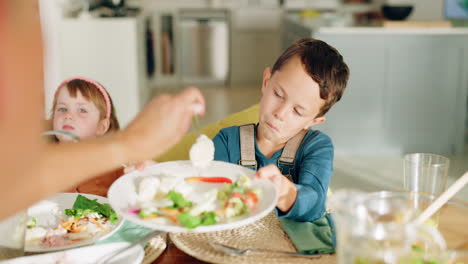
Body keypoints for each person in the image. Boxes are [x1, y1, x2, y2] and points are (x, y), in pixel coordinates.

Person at [0, 0, 205, 220]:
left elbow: (144, 196)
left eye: (82, 111)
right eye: (61, 109)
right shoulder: (37, 163)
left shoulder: (116, 170)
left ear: (103, 126)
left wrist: (147, 177)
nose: (69, 115)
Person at [213, 38, 350, 222]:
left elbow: (316, 203)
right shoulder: (227, 141)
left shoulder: (316, 147)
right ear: (266, 81)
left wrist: (286, 193)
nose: (280, 113)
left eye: (298, 111)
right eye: (278, 94)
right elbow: (209, 194)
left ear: (314, 120)